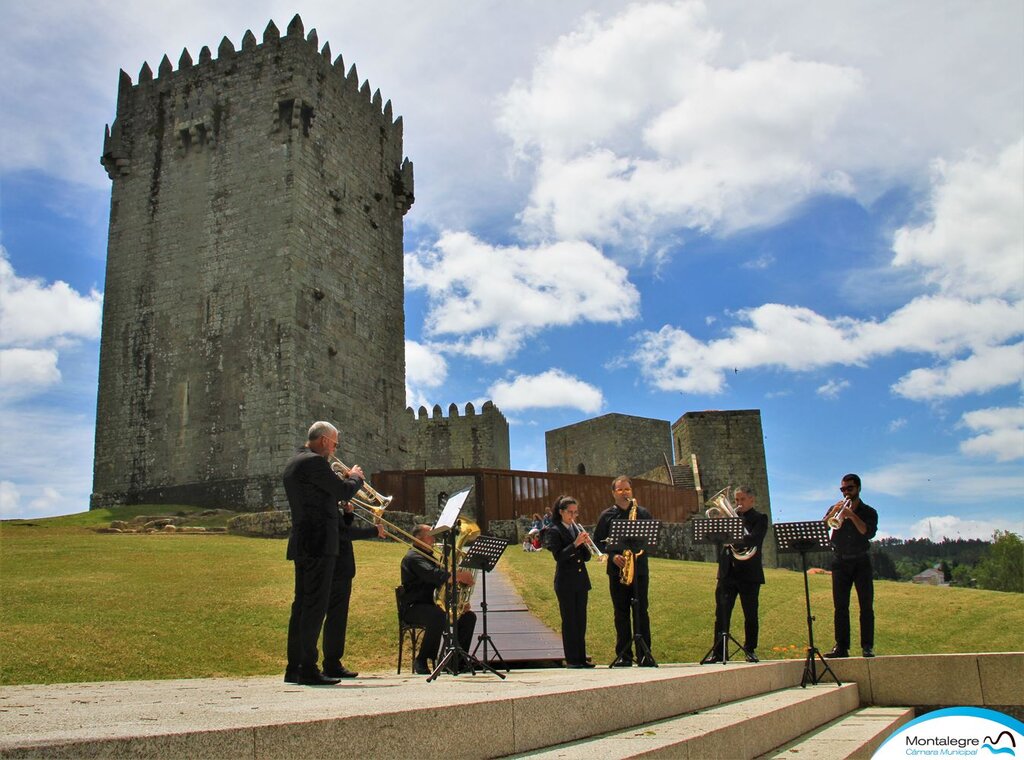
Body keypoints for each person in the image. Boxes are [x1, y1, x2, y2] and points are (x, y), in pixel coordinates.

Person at [283, 421, 365, 686]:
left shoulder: (294, 462)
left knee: (301, 606)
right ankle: (308, 668)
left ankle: (294, 667)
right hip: (319, 544)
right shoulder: (314, 463)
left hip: (303, 543)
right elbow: (342, 491)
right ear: (324, 441)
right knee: (314, 607)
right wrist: (354, 477)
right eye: (335, 444)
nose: (335, 450)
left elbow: (322, 498)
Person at [321, 497, 386, 679]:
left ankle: (332, 662)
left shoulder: (330, 505)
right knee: (335, 618)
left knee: (336, 619)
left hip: (340, 569)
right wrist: (373, 531)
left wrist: (348, 515)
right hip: (337, 570)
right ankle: (330, 663)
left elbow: (342, 529)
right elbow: (342, 534)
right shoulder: (326, 505)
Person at [399, 524, 477, 675]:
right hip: (415, 607)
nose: (434, 539)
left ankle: (456, 662)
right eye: (430, 536)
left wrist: (459, 603)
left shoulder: (430, 558)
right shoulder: (413, 557)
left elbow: (443, 585)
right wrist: (458, 576)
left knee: (468, 617)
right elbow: (433, 575)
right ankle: (421, 660)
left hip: (432, 605)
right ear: (417, 539)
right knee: (438, 616)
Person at [594, 475, 654, 667]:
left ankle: (645, 654)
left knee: (641, 611)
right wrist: (612, 556)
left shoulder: (642, 514)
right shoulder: (606, 516)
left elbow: (651, 541)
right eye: (620, 490)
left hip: (639, 570)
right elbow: (598, 543)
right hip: (617, 571)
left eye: (627, 489)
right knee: (620, 613)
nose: (624, 492)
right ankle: (624, 655)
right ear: (613, 493)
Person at [704, 486, 768, 664]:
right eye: (736, 500)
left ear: (751, 500)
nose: (738, 504)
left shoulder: (760, 518)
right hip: (727, 572)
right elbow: (713, 538)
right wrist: (718, 529)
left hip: (749, 573)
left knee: (750, 614)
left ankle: (750, 649)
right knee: (722, 614)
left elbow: (755, 539)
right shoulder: (729, 519)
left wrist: (732, 537)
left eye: (742, 500)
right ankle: (718, 652)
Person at [824, 473, 879, 659]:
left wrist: (851, 515)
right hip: (840, 561)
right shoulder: (836, 508)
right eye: (843, 489)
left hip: (861, 561)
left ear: (858, 489)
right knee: (840, 607)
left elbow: (867, 532)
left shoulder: (869, 512)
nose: (846, 492)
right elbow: (822, 527)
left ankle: (867, 646)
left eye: (850, 489)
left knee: (866, 606)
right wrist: (832, 514)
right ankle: (841, 646)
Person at [544, 495, 595, 668]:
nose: (573, 516)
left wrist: (585, 544)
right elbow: (559, 556)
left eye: (575, 512)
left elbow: (586, 558)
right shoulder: (555, 530)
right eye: (569, 512)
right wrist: (575, 544)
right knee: (570, 620)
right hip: (565, 582)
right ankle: (572, 660)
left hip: (581, 581)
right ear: (561, 512)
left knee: (581, 620)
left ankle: (582, 658)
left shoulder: (576, 529)